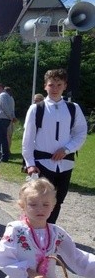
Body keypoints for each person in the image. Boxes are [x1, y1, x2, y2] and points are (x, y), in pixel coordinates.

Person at [0, 178, 95, 278]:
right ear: (22, 206)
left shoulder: (56, 232)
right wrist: (30, 274)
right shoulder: (16, 230)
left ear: (53, 206)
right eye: (33, 204)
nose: (40, 209)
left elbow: (77, 257)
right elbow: (3, 258)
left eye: (45, 204)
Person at [22, 69, 87, 224]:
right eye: (51, 85)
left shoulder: (73, 108)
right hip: (42, 164)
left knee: (57, 201)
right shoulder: (37, 109)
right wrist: (30, 164)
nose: (55, 88)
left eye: (59, 84)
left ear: (65, 86)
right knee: (39, 201)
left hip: (65, 164)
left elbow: (80, 133)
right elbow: (28, 139)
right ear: (45, 86)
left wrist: (66, 149)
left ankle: (49, 232)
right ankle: (34, 232)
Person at [0, 83, 15, 162]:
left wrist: (10, 117)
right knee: (4, 138)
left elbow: (5, 107)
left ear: (0, 88)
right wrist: (12, 117)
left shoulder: (2, 95)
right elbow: (11, 108)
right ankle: (4, 156)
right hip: (6, 119)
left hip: (1, 119)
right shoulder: (9, 97)